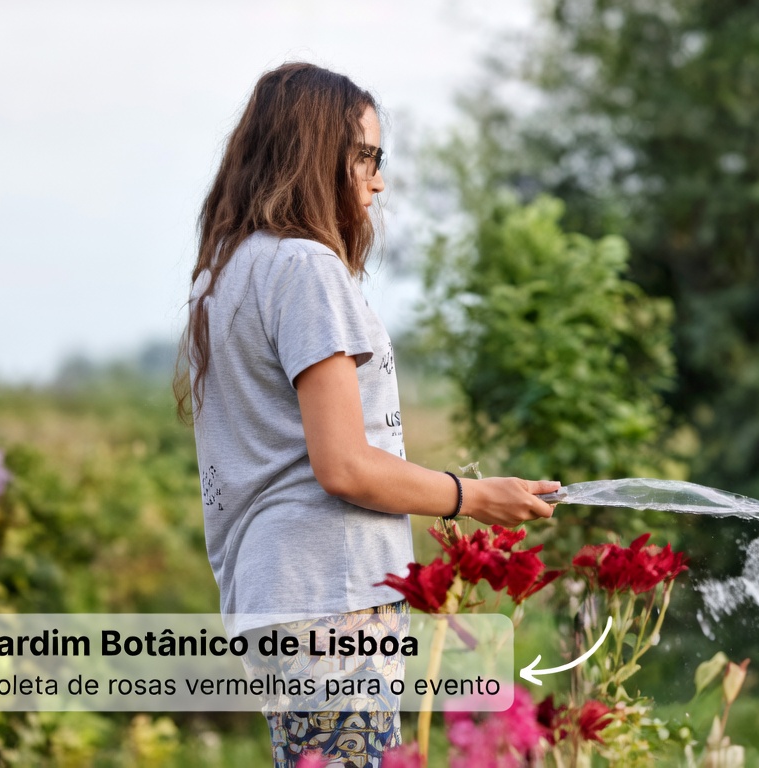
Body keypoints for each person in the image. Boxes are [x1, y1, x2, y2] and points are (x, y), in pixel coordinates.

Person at [174, 61, 558, 768]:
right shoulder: (305, 269)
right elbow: (344, 465)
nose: (377, 180)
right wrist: (474, 498)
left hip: (274, 593)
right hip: (333, 593)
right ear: (318, 154)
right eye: (366, 157)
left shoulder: (221, 274)